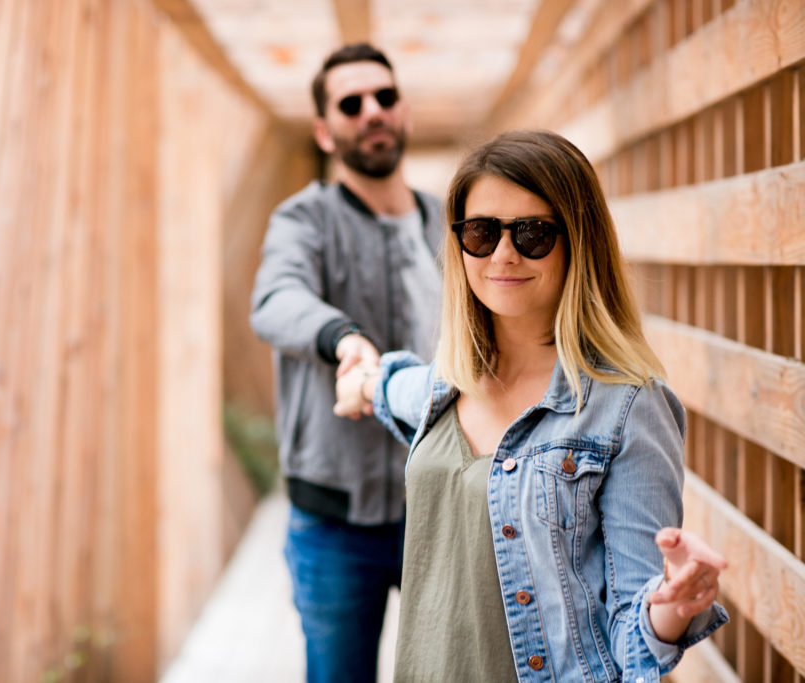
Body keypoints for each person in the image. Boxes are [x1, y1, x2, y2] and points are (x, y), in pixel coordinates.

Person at [334, 130, 729, 681]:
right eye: (480, 232)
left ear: (578, 241)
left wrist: (672, 605)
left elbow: (634, 645)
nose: (503, 253)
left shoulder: (627, 407)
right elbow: (391, 387)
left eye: (533, 234)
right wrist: (361, 381)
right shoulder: (443, 385)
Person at [249, 43, 443, 683]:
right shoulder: (304, 218)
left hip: (440, 514)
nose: (373, 112)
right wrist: (342, 337)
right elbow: (276, 300)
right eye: (351, 104)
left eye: (385, 97)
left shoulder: (449, 222)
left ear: (405, 110)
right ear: (325, 131)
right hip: (335, 526)